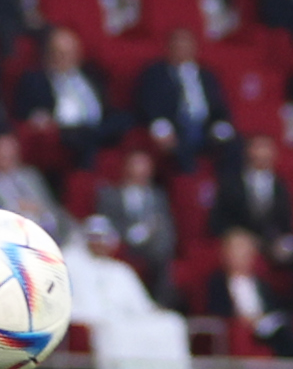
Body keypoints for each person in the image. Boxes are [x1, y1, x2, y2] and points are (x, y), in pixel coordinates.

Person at [65, 214, 191, 369]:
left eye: (103, 239)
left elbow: (142, 306)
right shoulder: (71, 263)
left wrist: (153, 313)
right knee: (114, 332)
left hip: (127, 319)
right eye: (95, 238)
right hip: (96, 321)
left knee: (172, 323)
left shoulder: (120, 270)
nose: (100, 243)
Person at [12, 28, 121, 171]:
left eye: (70, 53)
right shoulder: (35, 80)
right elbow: (24, 112)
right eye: (59, 52)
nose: (65, 58)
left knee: (124, 120)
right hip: (66, 130)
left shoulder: (92, 74)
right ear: (48, 54)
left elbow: (107, 106)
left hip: (97, 127)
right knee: (80, 136)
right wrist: (38, 118)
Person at [134, 28, 233, 163]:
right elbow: (149, 106)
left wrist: (220, 125)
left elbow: (219, 105)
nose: (182, 49)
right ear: (168, 47)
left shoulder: (207, 75)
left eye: (186, 44)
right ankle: (187, 180)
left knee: (233, 144)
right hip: (176, 126)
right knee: (181, 148)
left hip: (206, 126)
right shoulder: (155, 73)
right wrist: (162, 129)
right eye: (177, 44)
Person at [96, 149, 178, 297]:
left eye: (145, 166)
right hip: (122, 245)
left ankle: (159, 303)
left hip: (151, 248)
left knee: (162, 256)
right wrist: (132, 236)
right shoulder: (110, 196)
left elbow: (164, 224)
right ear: (127, 167)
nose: (142, 171)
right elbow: (106, 224)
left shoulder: (158, 196)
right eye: (137, 165)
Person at [0, 132, 64, 241]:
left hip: (45, 230)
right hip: (5, 234)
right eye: (1, 154)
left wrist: (39, 209)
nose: (6, 157)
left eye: (10, 153)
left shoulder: (31, 175)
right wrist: (17, 207)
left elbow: (49, 205)